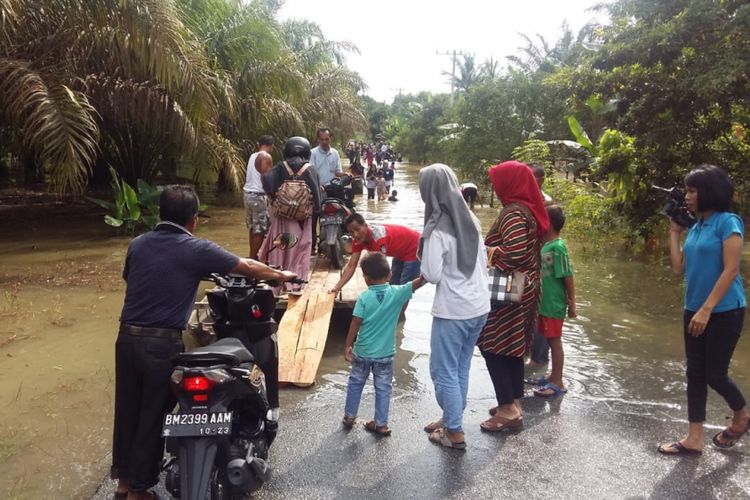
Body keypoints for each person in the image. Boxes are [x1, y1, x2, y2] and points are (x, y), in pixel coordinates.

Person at [112, 186, 296, 500]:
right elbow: (248, 267)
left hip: (127, 339)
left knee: (127, 410)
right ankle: (139, 491)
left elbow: (134, 277)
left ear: (160, 213)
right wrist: (282, 274)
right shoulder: (195, 248)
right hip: (162, 343)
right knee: (153, 415)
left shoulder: (138, 243)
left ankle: (124, 482)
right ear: (194, 219)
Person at [658, 164, 749, 455]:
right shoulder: (696, 227)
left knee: (715, 374)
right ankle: (694, 438)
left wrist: (707, 309)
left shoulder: (728, 222)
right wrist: (674, 232)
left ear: (709, 192)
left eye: (693, 190)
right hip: (693, 308)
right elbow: (677, 268)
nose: (687, 195)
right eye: (687, 190)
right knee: (695, 374)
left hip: (724, 310)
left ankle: (742, 415)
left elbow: (731, 269)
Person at [419, 164, 491, 449]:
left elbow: (432, 274)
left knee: (443, 370)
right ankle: (452, 418)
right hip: (479, 306)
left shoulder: (437, 228)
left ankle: (455, 432)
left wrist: (424, 249)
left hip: (454, 310)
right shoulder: (470, 217)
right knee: (460, 367)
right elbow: (482, 263)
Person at [477, 161, 549, 432]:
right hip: (525, 287)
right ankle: (514, 403)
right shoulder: (528, 209)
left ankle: (507, 409)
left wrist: (487, 253)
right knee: (513, 347)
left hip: (510, 287)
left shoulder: (513, 213)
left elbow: (516, 253)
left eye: (497, 180)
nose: (494, 186)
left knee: (492, 344)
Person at [342, 253, 426, 436]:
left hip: (362, 351)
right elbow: (419, 282)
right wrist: (429, 267)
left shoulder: (364, 298)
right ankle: (381, 424)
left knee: (356, 383)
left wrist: (347, 346)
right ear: (389, 275)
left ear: (365, 278)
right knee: (383, 388)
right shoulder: (397, 293)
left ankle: (349, 416)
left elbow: (355, 322)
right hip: (385, 354)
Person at [259, 136, 321, 288]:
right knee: (301, 249)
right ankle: (297, 282)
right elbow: (317, 199)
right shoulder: (310, 169)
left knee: (280, 248)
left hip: (281, 219)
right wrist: (316, 211)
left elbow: (269, 187)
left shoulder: (280, 167)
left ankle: (277, 281)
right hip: (302, 221)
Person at [532, 205, 576, 398]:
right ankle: (552, 376)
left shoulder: (558, 247)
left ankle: (558, 381)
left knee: (554, 341)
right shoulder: (548, 245)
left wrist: (572, 302)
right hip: (545, 303)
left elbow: (568, 276)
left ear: (547, 223)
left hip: (554, 304)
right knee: (549, 339)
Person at [329, 213, 421, 295]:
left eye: (357, 229)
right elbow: (351, 266)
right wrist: (337, 287)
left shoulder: (378, 238)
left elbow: (381, 269)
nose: (355, 234)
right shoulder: (357, 240)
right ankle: (396, 313)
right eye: (351, 232)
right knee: (394, 287)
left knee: (404, 291)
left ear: (365, 226)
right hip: (400, 252)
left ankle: (398, 314)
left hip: (415, 247)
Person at [310, 127, 347, 245]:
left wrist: (345, 174)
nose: (325, 142)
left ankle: (338, 239)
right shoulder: (313, 153)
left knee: (339, 211)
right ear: (318, 140)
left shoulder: (335, 153)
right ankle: (312, 244)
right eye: (322, 139)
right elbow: (311, 172)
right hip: (317, 189)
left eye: (327, 139)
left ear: (330, 138)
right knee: (315, 215)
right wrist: (317, 185)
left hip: (332, 189)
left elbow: (337, 172)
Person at [242, 135, 275, 259]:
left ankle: (253, 256)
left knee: (252, 227)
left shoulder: (252, 156)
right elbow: (267, 178)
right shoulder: (266, 157)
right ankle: (252, 258)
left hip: (247, 194)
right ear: (271, 146)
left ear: (259, 144)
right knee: (261, 229)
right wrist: (273, 195)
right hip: (258, 196)